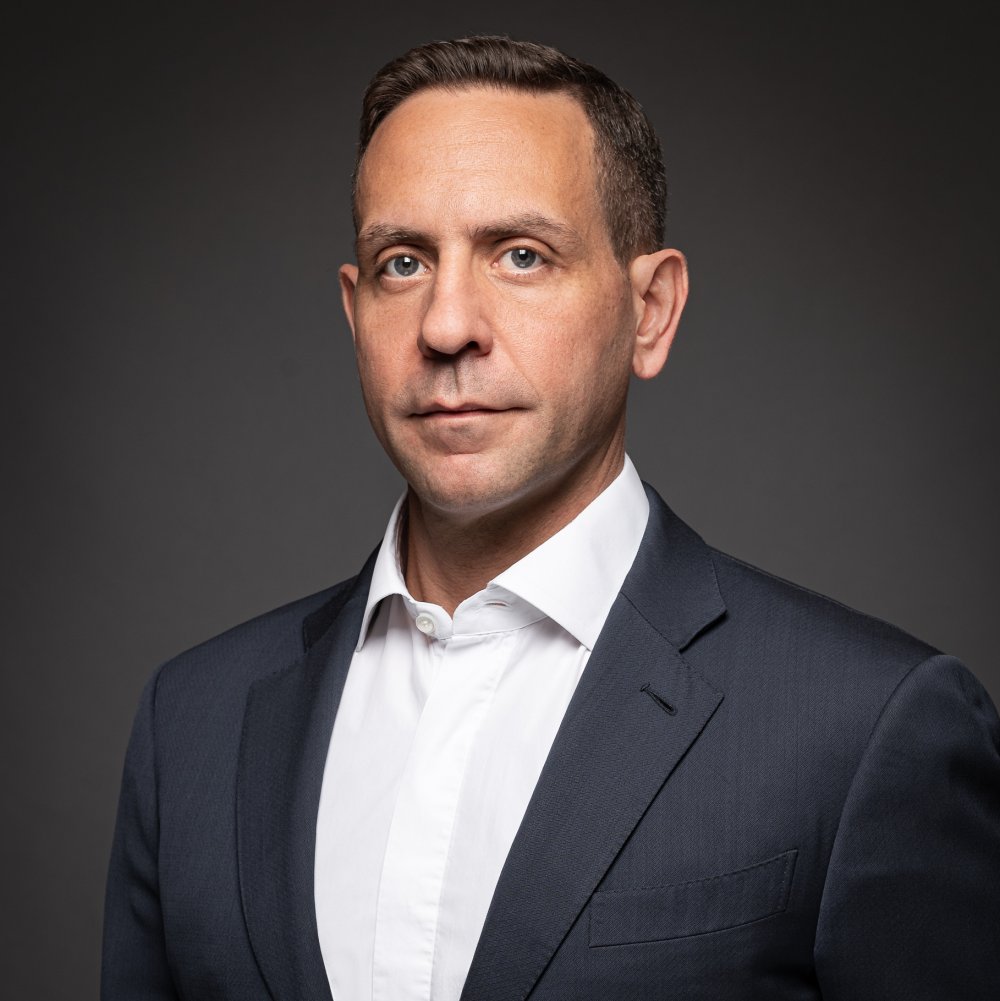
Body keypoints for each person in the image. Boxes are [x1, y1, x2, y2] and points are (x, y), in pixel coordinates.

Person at [101, 36, 1000, 1001]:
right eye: (402, 263)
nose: (447, 325)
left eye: (521, 256)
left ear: (651, 311)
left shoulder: (867, 727)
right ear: (354, 313)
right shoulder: (190, 726)